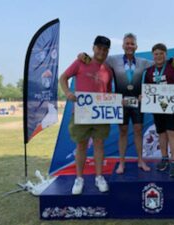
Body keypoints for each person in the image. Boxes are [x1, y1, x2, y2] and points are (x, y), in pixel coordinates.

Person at [78, 33, 153, 174]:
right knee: (123, 132)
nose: (129, 46)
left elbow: (159, 63)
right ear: (123, 45)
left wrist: (172, 60)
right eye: (127, 43)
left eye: (132, 44)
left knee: (138, 131)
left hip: (137, 102)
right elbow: (97, 58)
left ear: (136, 46)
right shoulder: (112, 60)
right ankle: (122, 163)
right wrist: (82, 55)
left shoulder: (143, 62)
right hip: (121, 102)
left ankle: (140, 160)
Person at [59, 35, 113, 194]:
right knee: (81, 145)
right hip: (81, 112)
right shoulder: (81, 62)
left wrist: (114, 103)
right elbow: (63, 78)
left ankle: (99, 177)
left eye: (105, 49)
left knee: (99, 144)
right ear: (93, 48)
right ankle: (79, 178)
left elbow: (108, 92)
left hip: (100, 114)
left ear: (108, 51)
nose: (101, 52)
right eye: (99, 48)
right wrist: (68, 92)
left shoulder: (108, 70)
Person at [143, 43, 174, 177]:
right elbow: (147, 90)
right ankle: (164, 159)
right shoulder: (149, 71)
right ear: (153, 55)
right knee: (161, 134)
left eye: (161, 53)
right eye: (156, 54)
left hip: (173, 107)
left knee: (172, 133)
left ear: (165, 55)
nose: (158, 56)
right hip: (158, 108)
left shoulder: (173, 66)